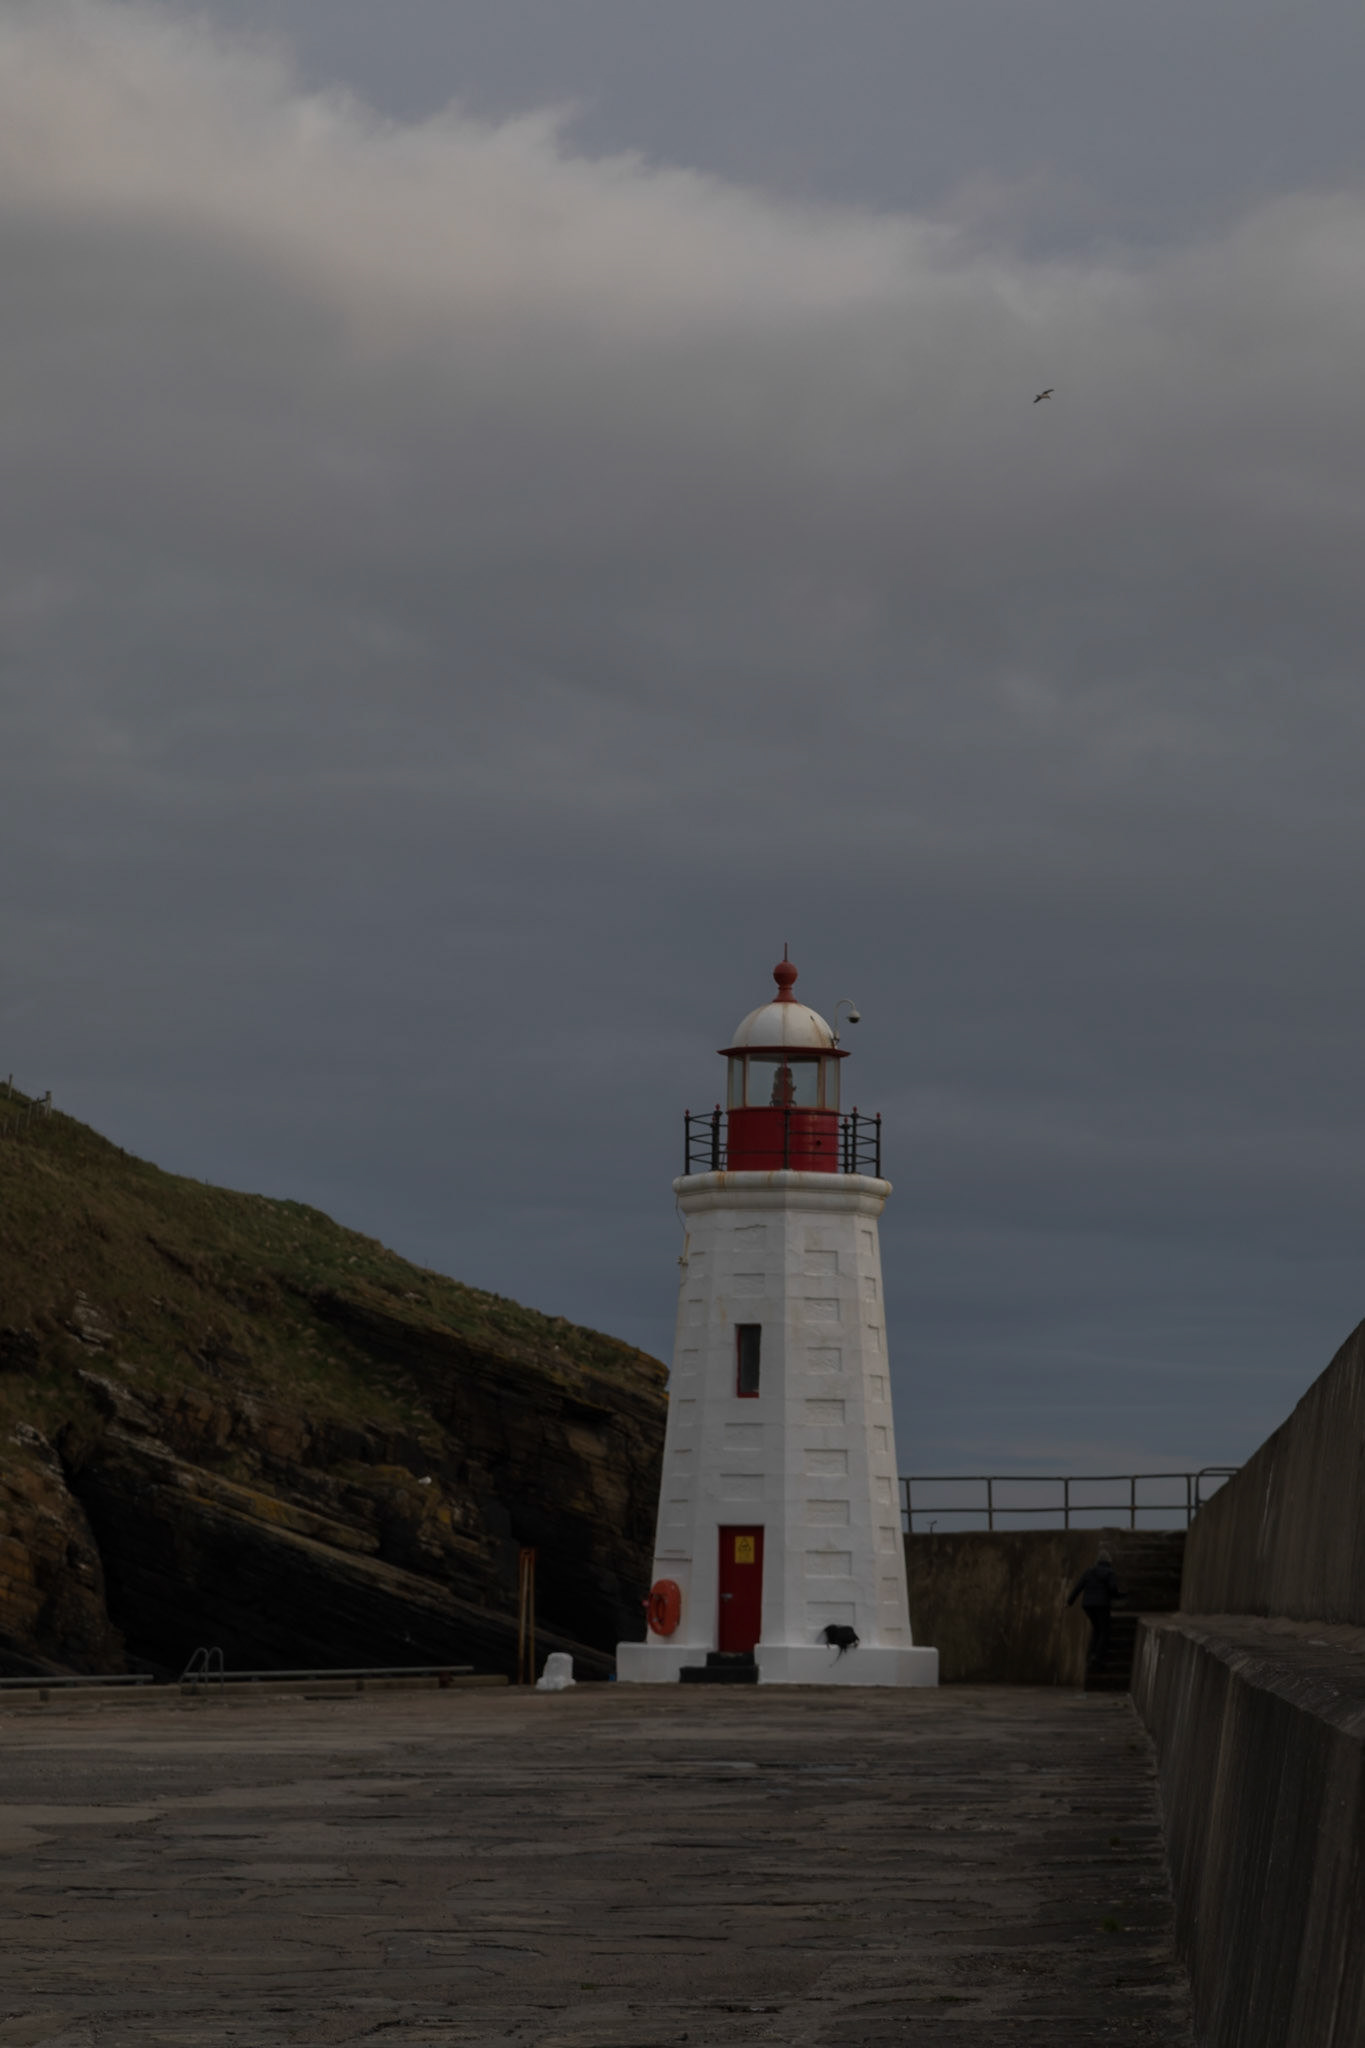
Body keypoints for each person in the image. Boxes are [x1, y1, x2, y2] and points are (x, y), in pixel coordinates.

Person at [1067, 1548, 1123, 1671]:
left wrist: (1070, 1601)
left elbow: (1078, 1587)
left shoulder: (1089, 1572)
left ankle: (1091, 1655)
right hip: (1102, 1605)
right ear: (1108, 1561)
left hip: (1088, 1605)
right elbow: (1113, 1588)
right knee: (1104, 1630)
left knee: (1097, 1629)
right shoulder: (1110, 1572)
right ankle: (1097, 1657)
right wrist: (1120, 1596)